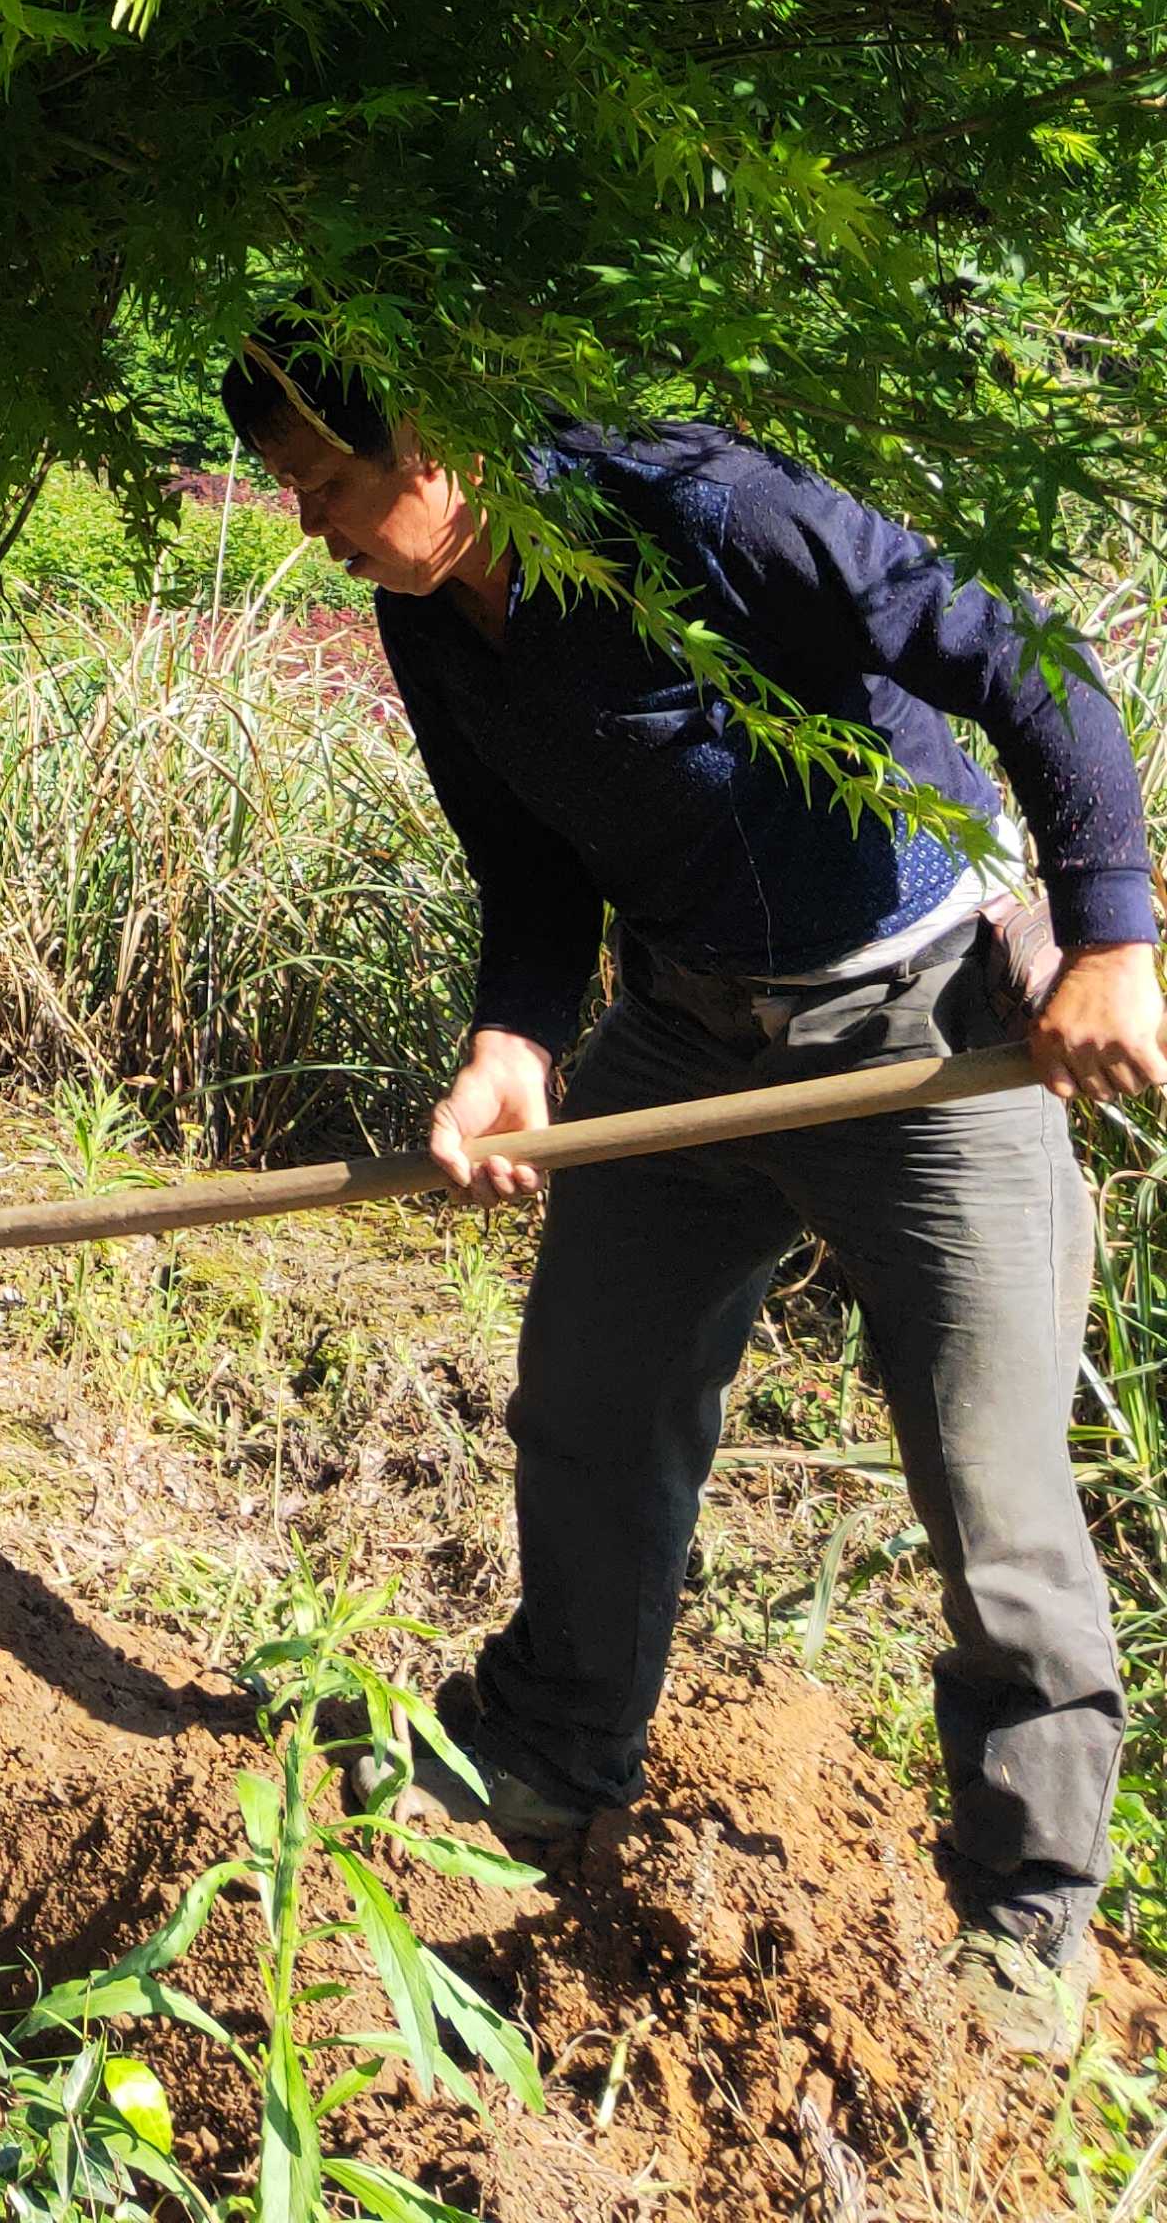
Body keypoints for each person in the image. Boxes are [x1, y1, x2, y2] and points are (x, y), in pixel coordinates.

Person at [221, 337, 1167, 2065]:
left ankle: (1027, 1919)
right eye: (299, 494)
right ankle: (550, 1756)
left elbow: (1019, 657)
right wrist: (515, 1037)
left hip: (922, 1028)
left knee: (992, 1491)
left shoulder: (703, 509)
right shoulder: (432, 614)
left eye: (342, 482)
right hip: (684, 1034)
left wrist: (1112, 932)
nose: (322, 526)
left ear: (446, 435)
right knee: (589, 1399)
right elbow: (525, 858)